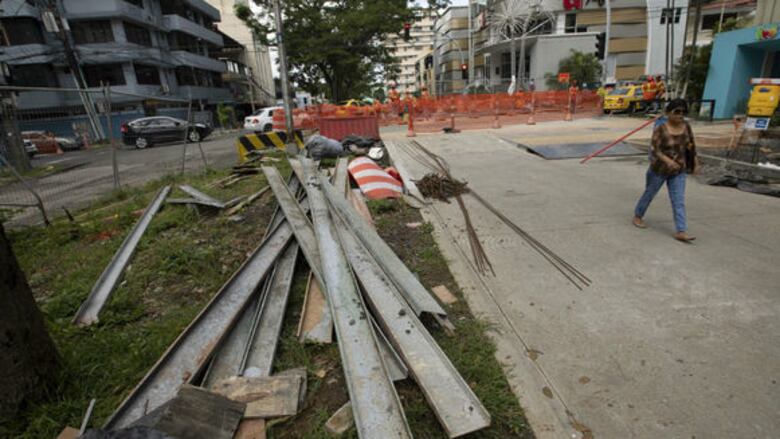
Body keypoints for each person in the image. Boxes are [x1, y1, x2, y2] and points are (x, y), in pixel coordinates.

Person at [632, 99, 699, 243]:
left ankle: (681, 230)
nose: (680, 115)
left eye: (683, 112)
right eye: (677, 112)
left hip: (678, 171)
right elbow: (654, 149)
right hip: (659, 170)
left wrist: (695, 162)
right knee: (649, 193)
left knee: (678, 200)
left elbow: (691, 145)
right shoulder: (661, 128)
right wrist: (668, 161)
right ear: (669, 113)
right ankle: (638, 215)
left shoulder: (686, 127)